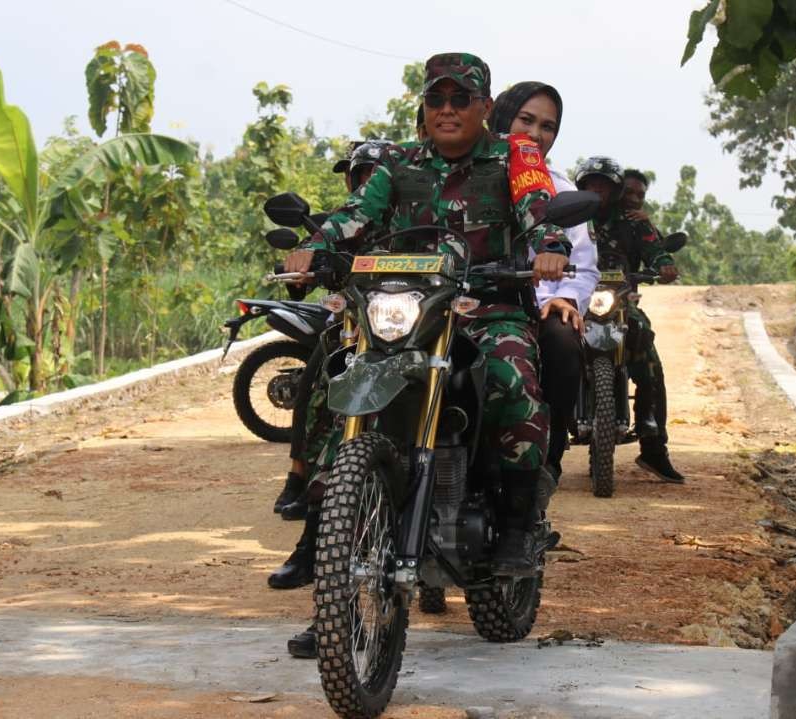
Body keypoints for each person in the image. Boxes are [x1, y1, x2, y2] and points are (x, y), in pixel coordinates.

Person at [284, 52, 571, 577]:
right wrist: (315, 248)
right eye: (436, 98)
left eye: (460, 98)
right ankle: (321, 546)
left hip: (488, 306)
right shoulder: (397, 161)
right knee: (338, 380)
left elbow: (537, 205)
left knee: (513, 379)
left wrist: (550, 244)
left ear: (484, 105)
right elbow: (356, 215)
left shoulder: (515, 153)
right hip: (408, 310)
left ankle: (516, 527)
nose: (447, 109)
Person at [488, 82, 599, 480]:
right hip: (464, 302)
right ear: (499, 115)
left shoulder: (560, 188)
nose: (535, 134)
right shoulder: (461, 173)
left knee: (563, 338)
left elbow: (583, 265)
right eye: (526, 120)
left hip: (532, 305)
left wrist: (565, 297)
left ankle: (544, 465)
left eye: (547, 126)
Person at [271, 141, 388, 519]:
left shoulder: (412, 217)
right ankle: (298, 474)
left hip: (409, 319)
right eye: (363, 175)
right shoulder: (347, 220)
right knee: (320, 374)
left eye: (377, 175)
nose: (370, 182)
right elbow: (316, 246)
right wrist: (304, 263)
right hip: (355, 320)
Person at [574, 156, 685, 483]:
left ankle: (652, 443)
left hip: (620, 297)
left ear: (616, 189)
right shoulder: (568, 216)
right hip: (574, 297)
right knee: (547, 344)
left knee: (644, 341)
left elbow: (655, 250)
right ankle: (542, 446)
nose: (597, 190)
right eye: (591, 184)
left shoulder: (634, 221)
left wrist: (664, 265)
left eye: (604, 185)